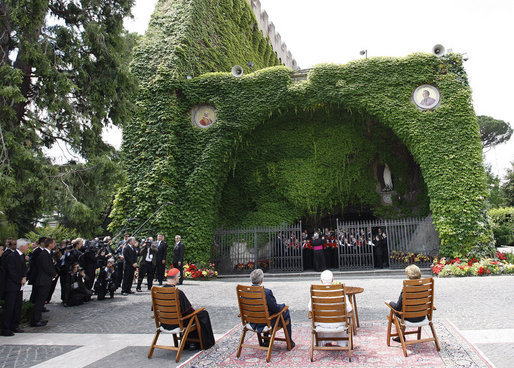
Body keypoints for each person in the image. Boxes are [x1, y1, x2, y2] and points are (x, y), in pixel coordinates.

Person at [161, 268, 215, 349]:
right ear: (176, 278)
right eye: (179, 277)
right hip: (177, 323)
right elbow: (189, 311)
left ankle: (189, 342)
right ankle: (203, 343)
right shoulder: (177, 292)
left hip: (164, 322)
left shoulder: (158, 291)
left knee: (193, 316)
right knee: (202, 314)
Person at [249, 268, 295, 349]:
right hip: (266, 322)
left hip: (252, 321)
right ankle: (289, 342)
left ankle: (266, 341)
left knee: (266, 311)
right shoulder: (266, 292)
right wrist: (283, 306)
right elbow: (276, 309)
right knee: (285, 312)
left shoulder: (246, 292)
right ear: (262, 280)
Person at [308, 270, 352, 347]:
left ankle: (323, 342)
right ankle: (342, 343)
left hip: (321, 325)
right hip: (339, 324)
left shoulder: (315, 292)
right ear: (333, 280)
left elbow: (310, 308)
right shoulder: (340, 291)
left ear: (321, 281)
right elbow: (349, 309)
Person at [388, 264, 424, 342]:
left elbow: (397, 307)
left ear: (408, 275)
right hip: (422, 316)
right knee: (404, 311)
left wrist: (390, 303)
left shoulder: (406, 288)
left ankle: (401, 336)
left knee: (397, 312)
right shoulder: (424, 286)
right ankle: (401, 336)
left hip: (409, 318)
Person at [1, 238, 29, 336]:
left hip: (18, 285)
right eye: (26, 245)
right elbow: (11, 271)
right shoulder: (12, 256)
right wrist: (20, 279)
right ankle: (6, 328)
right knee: (9, 307)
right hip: (11, 286)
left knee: (17, 306)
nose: (28, 247)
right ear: (21, 246)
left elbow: (23, 269)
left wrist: (24, 277)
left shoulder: (21, 256)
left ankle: (14, 325)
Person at [31, 237, 57, 327]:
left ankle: (38, 318)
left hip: (45, 280)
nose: (55, 245)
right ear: (49, 244)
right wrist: (54, 274)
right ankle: (35, 320)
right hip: (43, 280)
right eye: (54, 243)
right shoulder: (44, 254)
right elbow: (46, 267)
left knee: (41, 301)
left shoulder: (47, 253)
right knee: (40, 301)